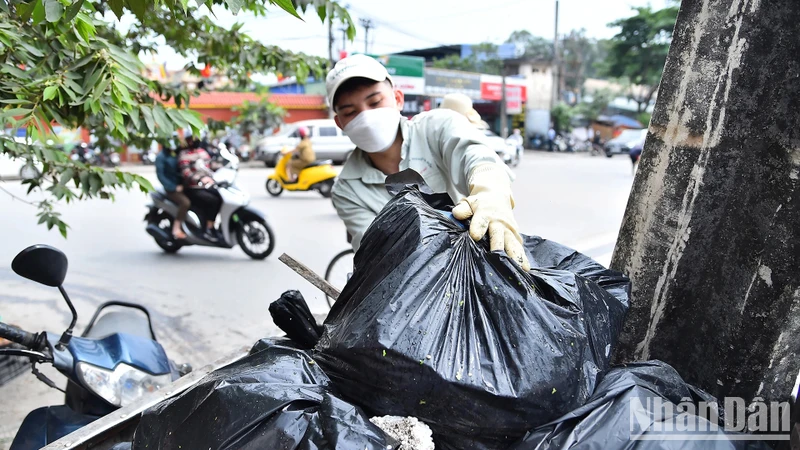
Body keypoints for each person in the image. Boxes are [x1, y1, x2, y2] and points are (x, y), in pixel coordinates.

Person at [327, 54, 530, 270]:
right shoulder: (347, 190)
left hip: (483, 265)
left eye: (375, 102)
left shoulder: (437, 127)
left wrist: (489, 192)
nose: (366, 118)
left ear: (398, 98)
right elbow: (377, 251)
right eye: (351, 112)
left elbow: (476, 155)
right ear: (340, 123)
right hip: (417, 285)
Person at [178, 132, 222, 242]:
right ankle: (208, 228)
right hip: (193, 188)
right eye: (192, 139)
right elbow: (186, 173)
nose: (195, 141)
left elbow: (211, 165)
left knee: (221, 197)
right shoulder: (184, 155)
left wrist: (223, 166)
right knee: (212, 201)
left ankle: (213, 224)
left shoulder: (202, 152)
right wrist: (200, 179)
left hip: (207, 186)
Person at [154, 139, 189, 239]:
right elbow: (161, 176)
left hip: (182, 186)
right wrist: (173, 187)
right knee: (185, 203)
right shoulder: (161, 157)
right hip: (171, 189)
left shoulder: (176, 154)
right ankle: (176, 228)